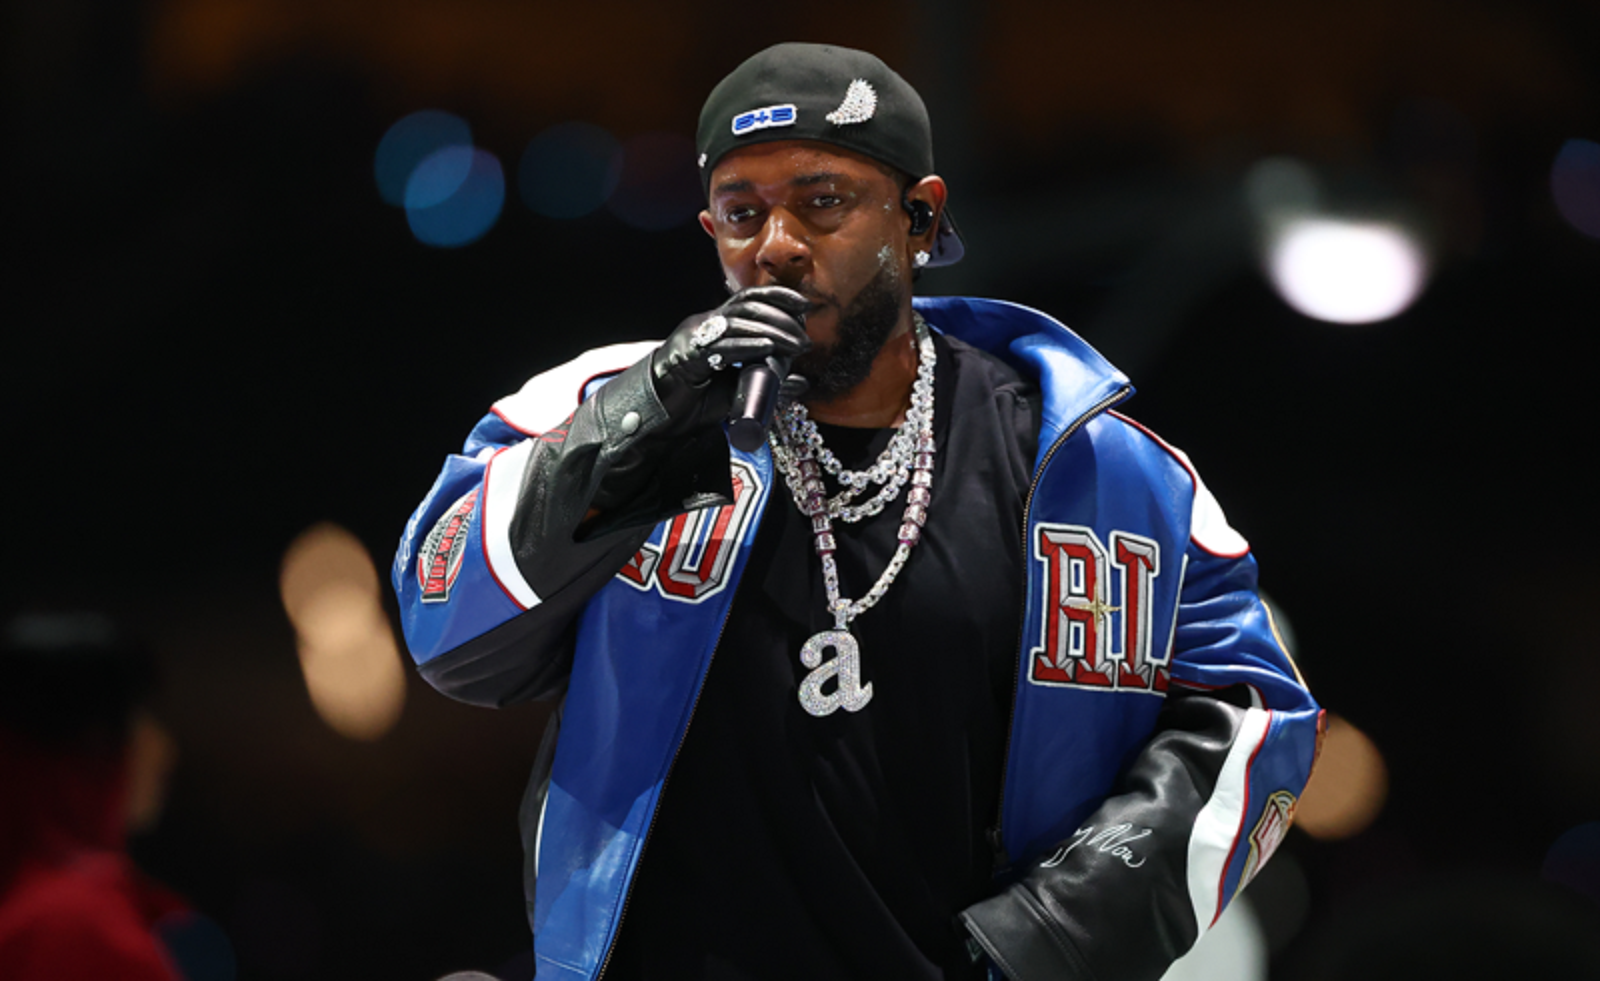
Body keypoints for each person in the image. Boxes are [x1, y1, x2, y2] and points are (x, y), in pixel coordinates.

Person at [393, 42, 1321, 981]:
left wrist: (1061, 934)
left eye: (823, 201)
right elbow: (442, 623)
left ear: (920, 217)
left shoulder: (1090, 463)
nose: (776, 245)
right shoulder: (612, 404)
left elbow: (1261, 717)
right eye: (741, 213)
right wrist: (645, 412)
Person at [0, 613, 189, 980]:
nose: (163, 749)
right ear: (90, 751)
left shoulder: (38, 911)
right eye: (140, 720)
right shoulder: (73, 929)